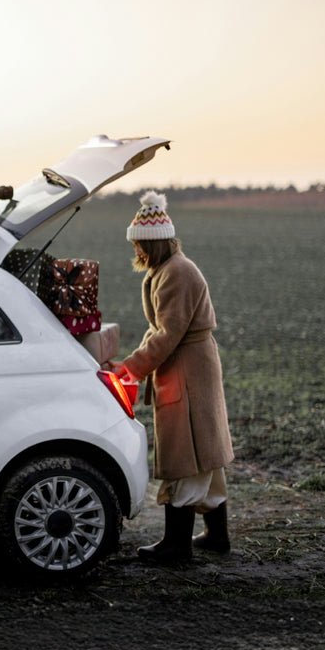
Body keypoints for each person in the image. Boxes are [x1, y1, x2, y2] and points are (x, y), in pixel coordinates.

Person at [111, 192, 234, 564]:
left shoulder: (176, 273)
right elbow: (163, 331)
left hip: (187, 371)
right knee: (204, 456)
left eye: (140, 246)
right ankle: (217, 536)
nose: (138, 254)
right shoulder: (168, 269)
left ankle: (176, 545)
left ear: (153, 241)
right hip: (190, 367)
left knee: (186, 455)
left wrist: (129, 368)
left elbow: (168, 334)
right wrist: (134, 362)